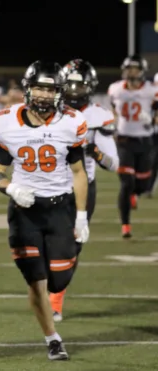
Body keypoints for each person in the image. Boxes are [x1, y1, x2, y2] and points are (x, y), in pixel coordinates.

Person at [0, 60, 89, 361]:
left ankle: (53, 316)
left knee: (59, 280)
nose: (44, 94)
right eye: (39, 88)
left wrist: (81, 215)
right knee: (37, 280)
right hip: (24, 211)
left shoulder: (71, 122)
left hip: (60, 209)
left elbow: (79, 172)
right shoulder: (5, 122)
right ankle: (53, 339)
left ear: (60, 92)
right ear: (27, 89)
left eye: (50, 89)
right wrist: (10, 188)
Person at [50, 59, 118, 321]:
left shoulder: (98, 116)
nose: (74, 90)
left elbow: (114, 164)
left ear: (90, 87)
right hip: (49, 184)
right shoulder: (49, 109)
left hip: (82, 189)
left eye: (79, 85)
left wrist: (96, 152)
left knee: (72, 246)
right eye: (70, 84)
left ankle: (55, 300)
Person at [107, 55, 157, 237]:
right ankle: (125, 225)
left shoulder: (152, 90)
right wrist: (112, 124)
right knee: (126, 183)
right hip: (123, 141)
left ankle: (136, 193)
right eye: (129, 69)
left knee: (143, 185)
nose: (132, 73)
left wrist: (151, 119)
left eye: (135, 69)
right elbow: (114, 110)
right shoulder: (116, 89)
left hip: (145, 141)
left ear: (142, 72)